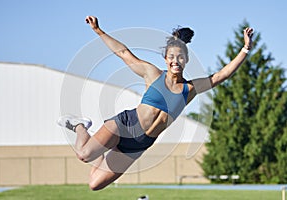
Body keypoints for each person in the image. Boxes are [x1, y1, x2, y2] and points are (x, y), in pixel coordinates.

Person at [58, 16, 254, 191]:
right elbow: (124, 53)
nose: (175, 61)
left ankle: (97, 143)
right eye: (171, 57)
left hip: (139, 144)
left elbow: (221, 75)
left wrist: (245, 49)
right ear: (166, 59)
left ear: (185, 60)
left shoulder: (190, 89)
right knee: (84, 155)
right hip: (124, 124)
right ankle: (80, 126)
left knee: (95, 184)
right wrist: (98, 31)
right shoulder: (152, 74)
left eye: (179, 57)